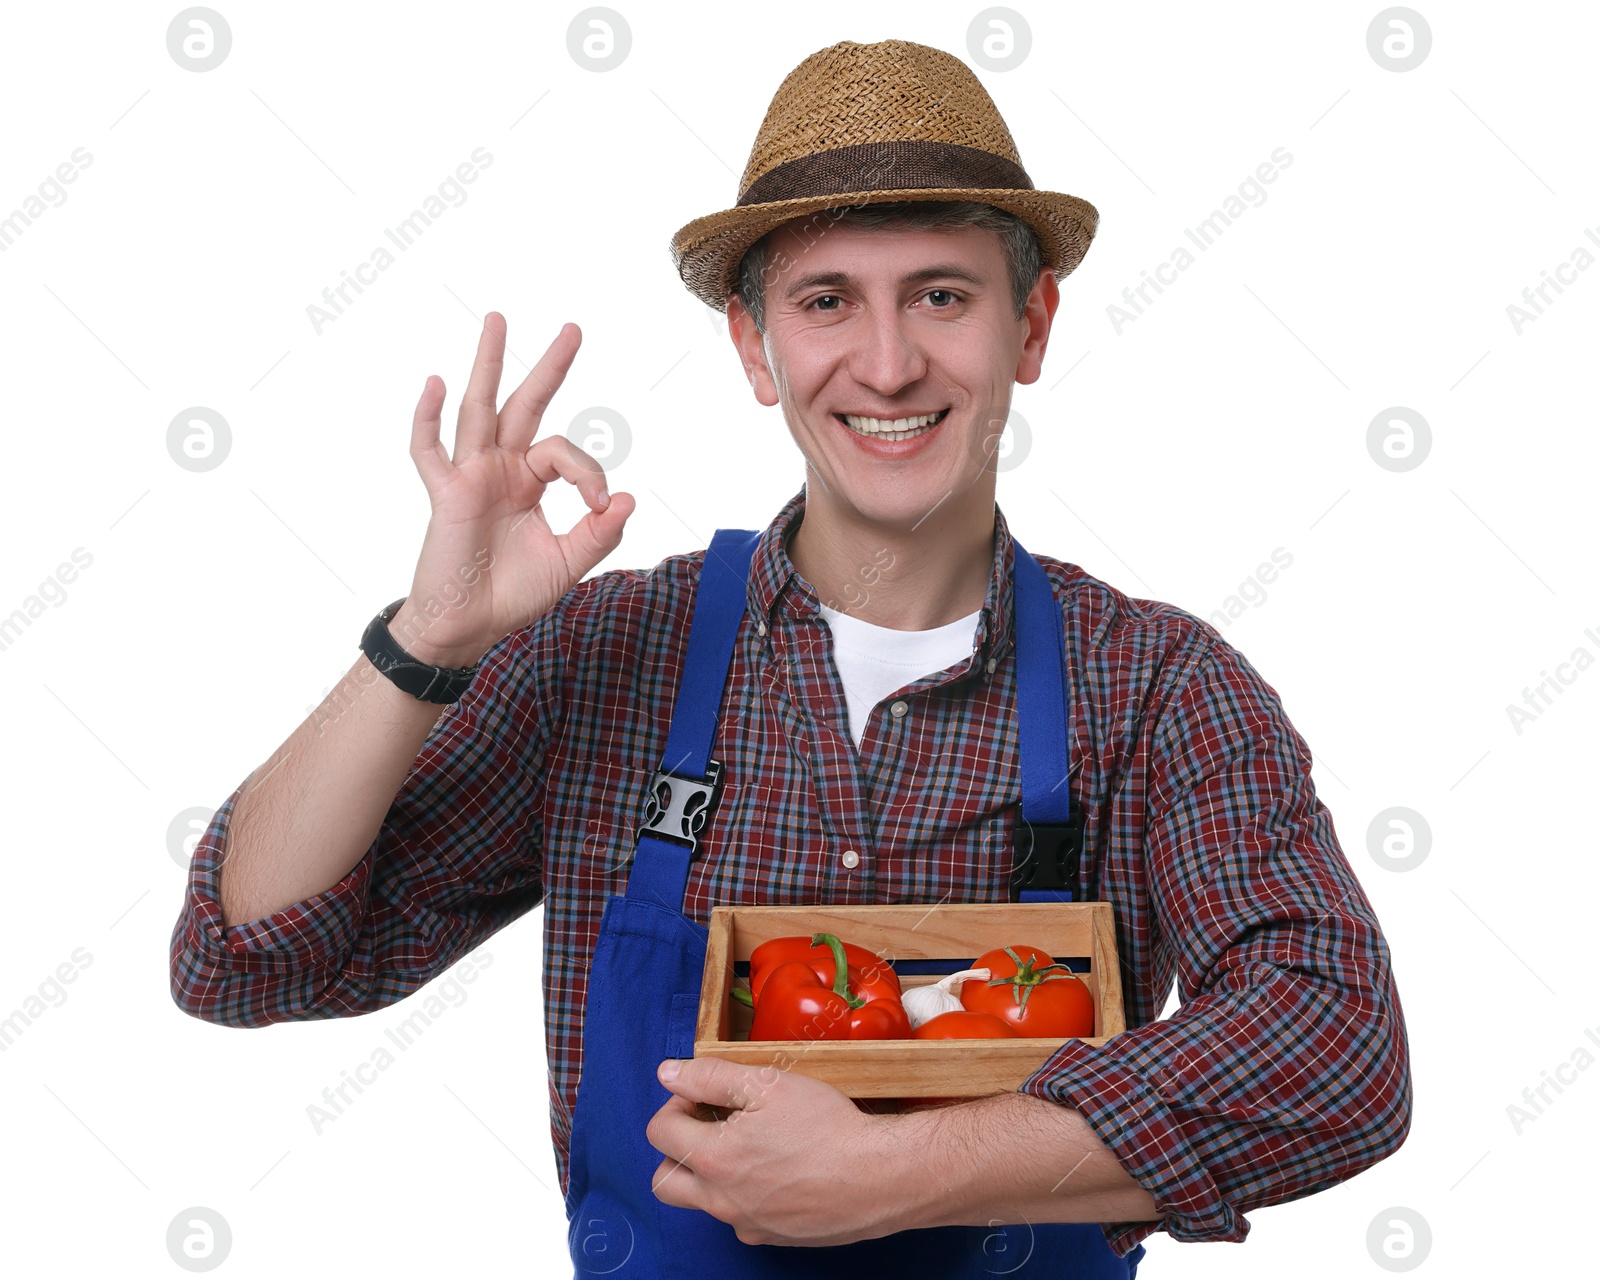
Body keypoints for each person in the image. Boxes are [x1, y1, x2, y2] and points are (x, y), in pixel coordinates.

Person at [170, 37, 1411, 1277]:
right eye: (827, 301)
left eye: (942, 294)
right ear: (754, 347)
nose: (885, 363)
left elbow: (1336, 1046)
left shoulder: (1155, 686)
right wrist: (426, 642)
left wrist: (900, 1172)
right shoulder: (608, 653)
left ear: (1029, 326)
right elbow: (244, 957)